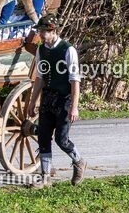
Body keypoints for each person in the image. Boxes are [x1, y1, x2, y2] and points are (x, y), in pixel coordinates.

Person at [27, 14, 86, 188]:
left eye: (44, 31)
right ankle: (45, 177)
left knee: (61, 139)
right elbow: (40, 77)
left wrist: (74, 107)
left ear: (54, 31)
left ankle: (79, 161)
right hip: (47, 98)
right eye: (40, 31)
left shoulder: (68, 50)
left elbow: (75, 80)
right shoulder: (41, 50)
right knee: (43, 136)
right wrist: (33, 101)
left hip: (64, 100)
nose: (41, 34)